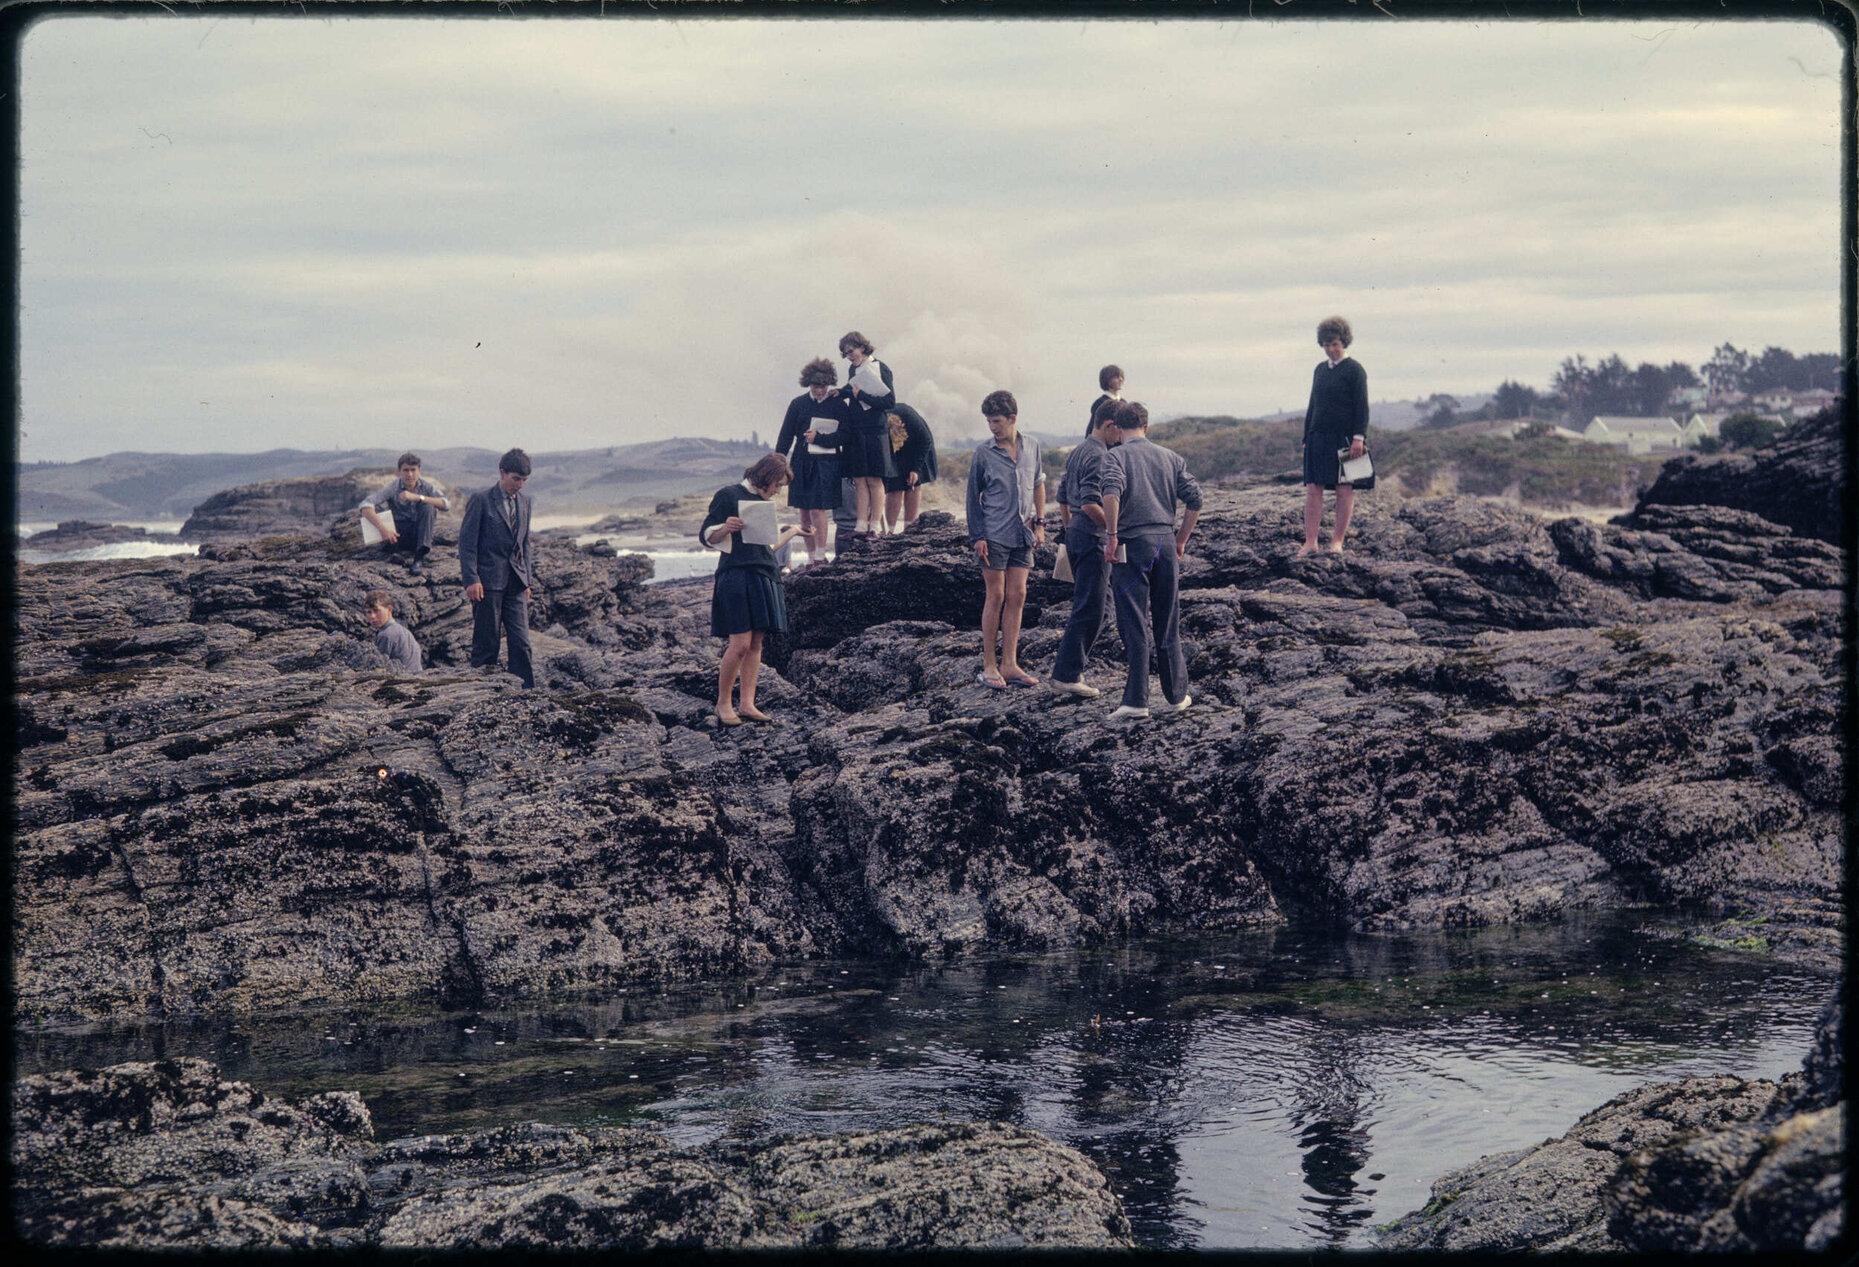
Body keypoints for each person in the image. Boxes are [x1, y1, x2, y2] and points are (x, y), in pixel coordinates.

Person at [1102, 401, 1201, 720]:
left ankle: (1136, 701)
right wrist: (1181, 539)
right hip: (1165, 543)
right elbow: (1196, 500)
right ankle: (1177, 696)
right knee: (1167, 620)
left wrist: (1112, 534)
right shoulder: (1170, 457)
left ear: (1117, 429)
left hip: (1132, 543)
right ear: (1146, 427)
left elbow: (1111, 494)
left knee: (1133, 621)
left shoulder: (1115, 455)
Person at [700, 453, 813, 726]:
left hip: (765, 574)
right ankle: (723, 703)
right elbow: (706, 536)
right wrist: (724, 528)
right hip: (736, 574)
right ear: (765, 476)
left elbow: (767, 548)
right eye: (777, 485)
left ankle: (748, 703)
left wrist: (794, 532)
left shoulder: (763, 503)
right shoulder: (728, 495)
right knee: (739, 644)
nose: (777, 491)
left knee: (756, 643)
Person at [965, 389, 1045, 690]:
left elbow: (1038, 484)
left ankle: (1009, 664)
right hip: (993, 533)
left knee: (1019, 595)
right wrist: (977, 536)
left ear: (1012, 418)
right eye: (988, 422)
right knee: (995, 596)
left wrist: (1040, 524)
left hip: (1022, 533)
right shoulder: (983, 452)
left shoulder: (1032, 446)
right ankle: (989, 665)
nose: (992, 427)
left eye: (997, 421)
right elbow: (972, 497)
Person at [1049, 398, 1124, 698]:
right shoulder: (1099, 455)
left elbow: (1063, 496)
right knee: (1091, 608)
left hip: (1078, 534)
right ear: (1109, 425)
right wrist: (1115, 530)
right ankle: (1066, 675)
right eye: (1119, 432)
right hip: (1092, 537)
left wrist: (1069, 528)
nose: (1121, 438)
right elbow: (1090, 502)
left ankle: (1070, 671)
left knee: (1100, 607)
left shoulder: (1079, 450)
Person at [458, 448, 535, 689]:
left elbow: (525, 543)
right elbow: (467, 544)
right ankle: (481, 692)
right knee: (487, 642)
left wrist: (528, 581)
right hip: (487, 583)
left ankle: (526, 693)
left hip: (516, 583)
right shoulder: (481, 500)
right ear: (502, 473)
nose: (520, 485)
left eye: (524, 480)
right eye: (516, 479)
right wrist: (472, 579)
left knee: (521, 642)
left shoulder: (525, 502)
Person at [1299, 316, 1370, 555]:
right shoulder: (1319, 370)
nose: (1330, 349)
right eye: (1326, 345)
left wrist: (1359, 438)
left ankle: (1337, 543)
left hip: (1348, 439)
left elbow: (1362, 406)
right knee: (1313, 488)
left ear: (1344, 342)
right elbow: (1313, 404)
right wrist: (1306, 436)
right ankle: (1311, 542)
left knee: (1345, 488)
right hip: (1318, 436)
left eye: (1335, 344)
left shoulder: (1356, 370)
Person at [775, 357, 848, 566]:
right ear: (809, 384)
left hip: (827, 463)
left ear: (829, 384)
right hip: (801, 461)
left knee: (818, 510)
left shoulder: (838, 404)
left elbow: (846, 435)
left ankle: (820, 556)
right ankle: (810, 557)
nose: (820, 391)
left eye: (824, 386)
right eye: (816, 386)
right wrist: (778, 464)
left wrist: (821, 438)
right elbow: (785, 436)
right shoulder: (798, 404)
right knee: (804, 512)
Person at [838, 330, 897, 537]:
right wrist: (840, 392)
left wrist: (861, 395)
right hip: (857, 430)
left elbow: (889, 402)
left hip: (875, 430)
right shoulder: (853, 370)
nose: (849, 356)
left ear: (862, 347)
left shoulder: (880, 368)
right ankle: (860, 525)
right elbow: (851, 389)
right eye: (845, 353)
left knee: (874, 479)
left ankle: (875, 526)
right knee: (859, 479)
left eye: (851, 351)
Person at [359, 452, 450, 576]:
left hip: (418, 536)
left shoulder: (427, 487)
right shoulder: (394, 487)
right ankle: (395, 554)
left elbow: (446, 504)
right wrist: (383, 529)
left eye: (413, 470)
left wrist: (418, 497)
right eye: (406, 470)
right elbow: (365, 505)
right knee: (377, 508)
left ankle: (418, 559)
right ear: (399, 471)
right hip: (397, 535)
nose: (410, 474)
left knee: (428, 506)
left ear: (419, 471)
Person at [881, 401, 938, 531]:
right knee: (894, 486)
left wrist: (915, 469)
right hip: (893, 451)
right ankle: (890, 530)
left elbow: (925, 440)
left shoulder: (907, 414)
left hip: (918, 447)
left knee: (913, 485)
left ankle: (909, 527)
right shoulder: (877, 421)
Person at [363, 589, 422, 673]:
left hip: (402, 682)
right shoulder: (405, 631)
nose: (372, 616)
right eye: (369, 612)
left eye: (377, 611)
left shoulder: (386, 635)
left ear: (389, 609)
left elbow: (379, 670)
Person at [1086, 364, 1124, 436]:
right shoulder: (1100, 403)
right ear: (1107, 380)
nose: (1121, 379)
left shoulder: (1124, 403)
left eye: (1121, 377)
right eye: (1116, 377)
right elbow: (1092, 429)